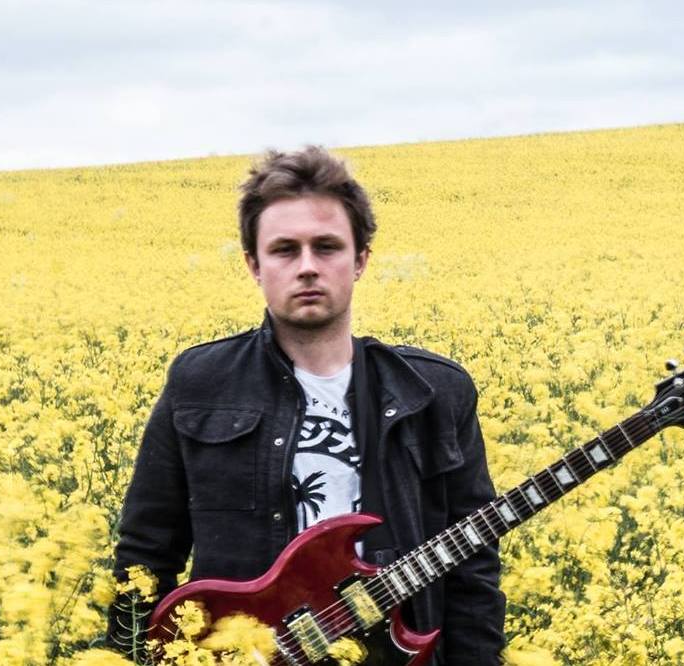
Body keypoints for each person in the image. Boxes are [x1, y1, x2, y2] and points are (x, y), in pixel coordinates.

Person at [106, 145, 506, 664]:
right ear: (254, 265)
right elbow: (144, 556)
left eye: (327, 247)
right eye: (285, 250)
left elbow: (472, 571)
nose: (308, 267)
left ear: (360, 261)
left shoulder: (433, 392)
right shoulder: (200, 383)